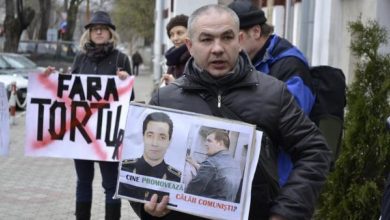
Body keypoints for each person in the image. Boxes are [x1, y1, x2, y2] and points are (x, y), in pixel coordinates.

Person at [134, 5, 331, 220]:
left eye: (227, 38)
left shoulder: (273, 93)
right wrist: (148, 208)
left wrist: (286, 211)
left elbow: (314, 151)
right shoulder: (166, 99)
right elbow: (139, 168)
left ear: (239, 41)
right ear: (190, 46)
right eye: (207, 39)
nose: (218, 48)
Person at [44, 10, 133, 220]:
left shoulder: (121, 58)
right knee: (83, 181)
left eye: (103, 28)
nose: (99, 32)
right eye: (94, 29)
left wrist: (125, 81)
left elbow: (130, 98)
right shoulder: (81, 57)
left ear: (111, 33)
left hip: (108, 132)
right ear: (89, 34)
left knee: (110, 184)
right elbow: (70, 91)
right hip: (81, 131)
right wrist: (52, 79)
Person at [228, 1, 315, 186]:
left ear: (256, 32)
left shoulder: (291, 65)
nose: (228, 46)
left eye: (234, 37)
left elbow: (291, 120)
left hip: (280, 177)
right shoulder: (246, 60)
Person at [119, 112, 181, 212]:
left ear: (169, 141)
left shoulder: (176, 178)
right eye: (150, 135)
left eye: (162, 137)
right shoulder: (126, 168)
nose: (154, 143)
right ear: (143, 136)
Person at [185, 129, 242, 202]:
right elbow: (217, 174)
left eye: (209, 141)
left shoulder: (211, 163)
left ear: (220, 143)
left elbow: (190, 192)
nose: (205, 144)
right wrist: (194, 163)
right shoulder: (235, 164)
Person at [161, 14, 191, 85]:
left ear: (190, 33)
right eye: (172, 34)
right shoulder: (172, 58)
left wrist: (175, 84)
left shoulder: (196, 59)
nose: (175, 38)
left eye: (180, 33)